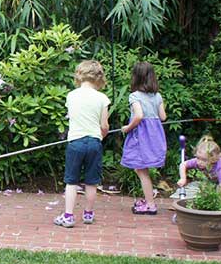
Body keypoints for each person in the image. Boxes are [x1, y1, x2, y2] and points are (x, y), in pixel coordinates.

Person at [54, 60, 110, 228]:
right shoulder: (102, 98)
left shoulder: (71, 95)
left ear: (79, 75)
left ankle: (68, 216)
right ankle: (88, 214)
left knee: (71, 181)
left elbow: (73, 116)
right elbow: (105, 126)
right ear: (99, 77)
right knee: (91, 181)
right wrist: (102, 135)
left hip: (76, 142)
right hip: (94, 142)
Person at [121, 62, 167, 215]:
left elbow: (139, 115)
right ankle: (148, 200)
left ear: (136, 77)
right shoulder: (158, 96)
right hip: (155, 135)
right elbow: (163, 117)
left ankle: (150, 204)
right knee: (141, 168)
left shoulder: (134, 96)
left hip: (141, 137)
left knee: (141, 170)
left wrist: (127, 128)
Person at [177, 135, 221, 201]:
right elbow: (183, 165)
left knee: (219, 189)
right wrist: (183, 178)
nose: (199, 162)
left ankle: (219, 202)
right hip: (214, 177)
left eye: (204, 160)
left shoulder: (220, 167)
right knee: (206, 189)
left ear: (213, 159)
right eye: (198, 158)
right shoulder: (197, 161)